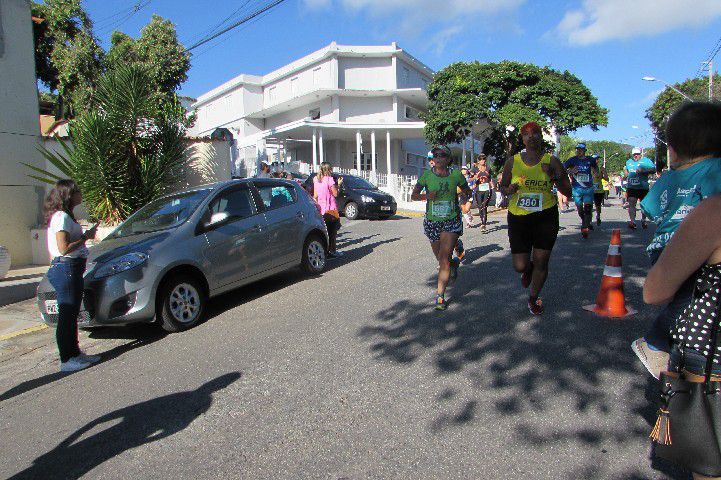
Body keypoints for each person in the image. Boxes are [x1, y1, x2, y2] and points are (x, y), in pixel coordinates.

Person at [631, 101, 721, 379]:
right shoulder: (715, 169)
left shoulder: (669, 178)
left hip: (662, 246)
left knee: (685, 300)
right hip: (691, 249)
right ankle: (655, 341)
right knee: (688, 298)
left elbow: (652, 208)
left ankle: (658, 342)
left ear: (672, 150)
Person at [643, 194, 721, 480]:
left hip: (711, 358)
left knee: (709, 466)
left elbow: (654, 292)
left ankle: (654, 344)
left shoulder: (714, 210)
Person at [500, 122, 572, 315]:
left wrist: (554, 177)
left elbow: (568, 191)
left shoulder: (552, 161)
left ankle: (533, 297)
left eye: (535, 134)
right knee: (519, 266)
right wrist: (509, 190)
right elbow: (503, 187)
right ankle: (528, 268)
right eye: (526, 134)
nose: (531, 137)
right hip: (518, 217)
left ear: (541, 137)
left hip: (545, 216)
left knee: (542, 260)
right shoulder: (512, 161)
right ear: (522, 139)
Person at [44, 179, 100, 372]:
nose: (80, 193)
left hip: (71, 268)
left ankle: (75, 353)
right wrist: (85, 237)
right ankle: (66, 359)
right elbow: (63, 248)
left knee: (72, 314)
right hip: (66, 268)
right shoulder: (61, 217)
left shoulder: (66, 216)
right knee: (67, 315)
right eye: (76, 191)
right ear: (68, 195)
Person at [412, 146, 472, 311]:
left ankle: (440, 295)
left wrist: (465, 195)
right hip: (432, 222)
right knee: (440, 258)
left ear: (448, 159)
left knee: (443, 259)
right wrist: (426, 196)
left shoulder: (456, 175)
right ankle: (453, 263)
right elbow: (413, 195)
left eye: (442, 156)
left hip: (451, 220)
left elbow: (467, 190)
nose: (438, 158)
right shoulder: (426, 176)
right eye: (435, 156)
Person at [564, 143, 599, 238]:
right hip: (576, 188)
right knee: (580, 210)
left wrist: (596, 174)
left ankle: (585, 227)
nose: (579, 151)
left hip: (588, 188)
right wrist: (570, 171)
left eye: (581, 149)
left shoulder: (590, 160)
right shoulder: (572, 160)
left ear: (584, 151)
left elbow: (596, 168)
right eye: (577, 149)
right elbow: (562, 169)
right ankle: (585, 221)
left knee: (587, 208)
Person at [313, 162, 344, 258]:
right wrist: (339, 184)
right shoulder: (329, 179)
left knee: (325, 232)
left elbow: (315, 196)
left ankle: (325, 252)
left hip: (321, 209)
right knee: (332, 232)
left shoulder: (316, 180)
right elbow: (335, 194)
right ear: (329, 170)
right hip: (331, 209)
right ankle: (332, 251)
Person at [624, 147, 656, 229]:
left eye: (637, 154)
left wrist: (643, 171)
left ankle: (643, 219)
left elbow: (653, 170)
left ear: (640, 154)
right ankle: (633, 221)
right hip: (632, 187)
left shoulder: (646, 161)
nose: (636, 156)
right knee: (631, 203)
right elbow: (626, 171)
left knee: (643, 205)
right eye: (634, 154)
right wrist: (625, 175)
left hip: (643, 187)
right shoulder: (628, 162)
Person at [474, 154, 494, 231]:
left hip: (487, 189)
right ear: (478, 161)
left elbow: (490, 179)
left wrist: (492, 185)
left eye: (484, 159)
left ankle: (483, 224)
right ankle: (482, 220)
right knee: (480, 206)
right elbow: (472, 178)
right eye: (481, 159)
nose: (483, 161)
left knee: (484, 206)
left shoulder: (488, 168)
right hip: (478, 190)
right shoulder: (475, 168)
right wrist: (476, 177)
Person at [592, 161, 609, 226]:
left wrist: (603, 174)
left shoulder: (601, 168)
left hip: (599, 190)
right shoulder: (588, 168)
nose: (596, 161)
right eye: (594, 159)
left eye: (597, 159)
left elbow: (607, 179)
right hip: (590, 190)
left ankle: (598, 216)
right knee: (588, 204)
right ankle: (589, 220)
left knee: (598, 205)